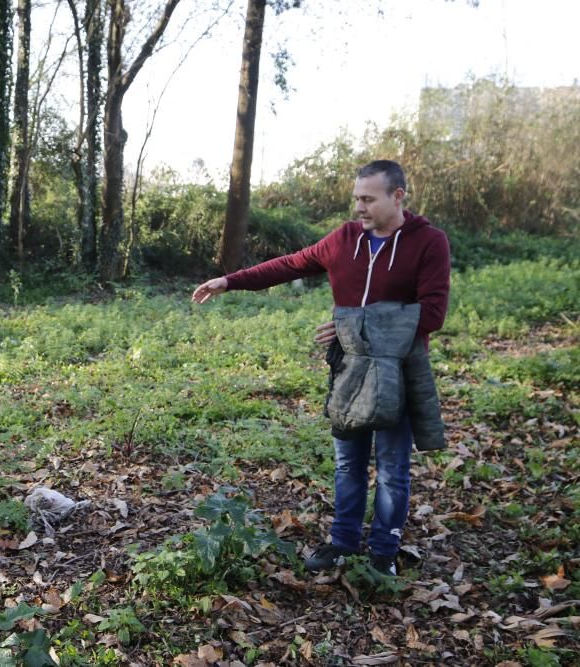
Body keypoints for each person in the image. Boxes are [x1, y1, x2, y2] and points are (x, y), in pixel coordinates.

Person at [192, 160, 451, 576]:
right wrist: (230, 280)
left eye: (368, 199)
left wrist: (355, 324)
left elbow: (432, 313)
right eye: (357, 199)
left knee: (391, 468)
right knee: (348, 463)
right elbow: (291, 264)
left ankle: (384, 552)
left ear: (397, 196)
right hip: (348, 371)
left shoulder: (428, 242)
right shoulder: (345, 238)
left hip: (397, 372)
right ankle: (342, 542)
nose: (359, 208)